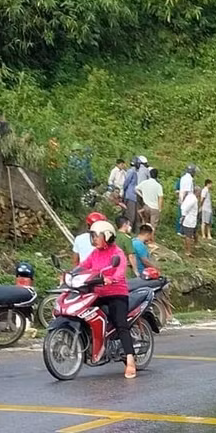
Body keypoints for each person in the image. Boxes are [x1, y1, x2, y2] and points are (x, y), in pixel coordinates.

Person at [80, 220, 137, 378]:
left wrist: (112, 279)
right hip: (98, 293)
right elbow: (83, 265)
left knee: (121, 325)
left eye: (96, 236)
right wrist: (71, 274)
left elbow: (120, 270)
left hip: (116, 292)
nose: (94, 239)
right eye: (93, 236)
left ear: (107, 236)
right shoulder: (95, 253)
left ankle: (130, 360)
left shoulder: (117, 253)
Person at [177, 164, 197, 235]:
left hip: (181, 197)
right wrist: (184, 201)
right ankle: (181, 231)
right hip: (187, 199)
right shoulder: (189, 179)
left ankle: (180, 230)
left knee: (181, 214)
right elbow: (186, 191)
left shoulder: (183, 178)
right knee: (185, 215)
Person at [180, 186, 200, 254]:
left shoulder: (190, 196)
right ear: (197, 192)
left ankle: (196, 244)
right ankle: (188, 251)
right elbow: (186, 208)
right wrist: (183, 216)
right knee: (188, 236)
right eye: (199, 192)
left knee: (195, 232)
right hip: (189, 220)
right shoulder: (193, 199)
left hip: (193, 219)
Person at [121, 158, 140, 225]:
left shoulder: (134, 172)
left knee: (132, 214)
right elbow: (126, 182)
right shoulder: (131, 171)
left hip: (132, 195)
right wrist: (123, 190)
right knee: (130, 214)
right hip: (130, 195)